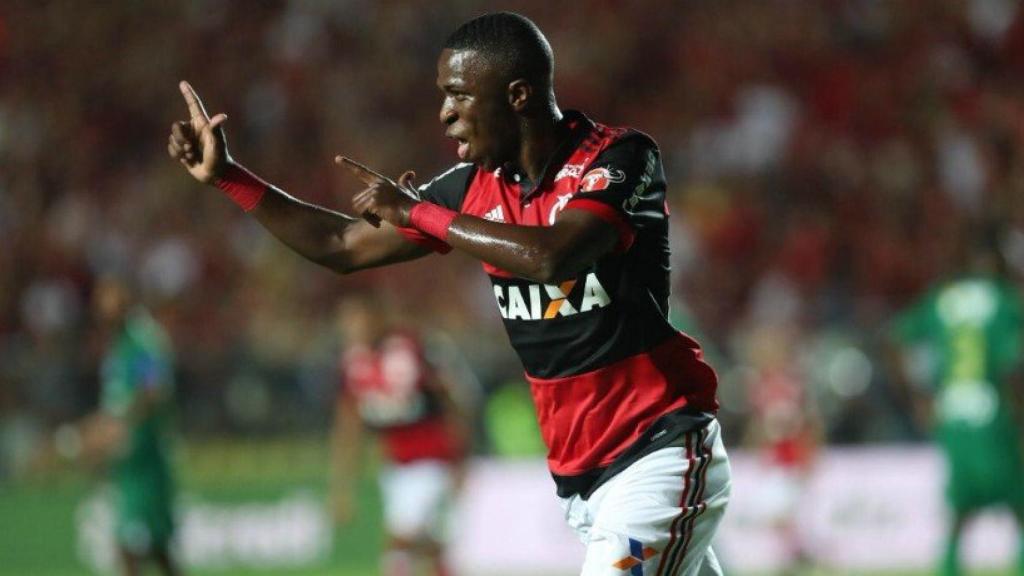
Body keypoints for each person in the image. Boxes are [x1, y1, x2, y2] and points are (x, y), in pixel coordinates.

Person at [168, 12, 730, 575]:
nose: (445, 114)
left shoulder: (620, 159)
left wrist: (418, 211)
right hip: (583, 479)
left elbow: (553, 255)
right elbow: (340, 244)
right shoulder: (469, 189)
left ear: (516, 95)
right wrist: (230, 176)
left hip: (661, 451)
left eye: (458, 95)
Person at [887, 227, 1024, 576]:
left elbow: (899, 338)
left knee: (962, 501)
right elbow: (1013, 364)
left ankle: (948, 567)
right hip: (991, 410)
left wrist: (919, 396)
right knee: (1015, 494)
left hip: (951, 410)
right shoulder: (1004, 300)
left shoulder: (942, 299)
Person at [331, 294, 468, 576]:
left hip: (432, 458)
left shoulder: (407, 349)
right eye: (347, 322)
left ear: (377, 319)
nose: (353, 328)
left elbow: (447, 399)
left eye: (358, 319)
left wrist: (459, 457)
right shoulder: (354, 364)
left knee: (398, 543)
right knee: (427, 545)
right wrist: (342, 488)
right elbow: (349, 428)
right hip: (395, 464)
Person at [55, 276, 183, 576]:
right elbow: (114, 402)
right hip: (127, 463)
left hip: (147, 462)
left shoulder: (144, 340)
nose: (104, 310)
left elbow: (154, 389)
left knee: (130, 548)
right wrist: (95, 433)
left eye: (110, 301)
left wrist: (118, 422)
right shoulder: (118, 346)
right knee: (157, 550)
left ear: (127, 302)